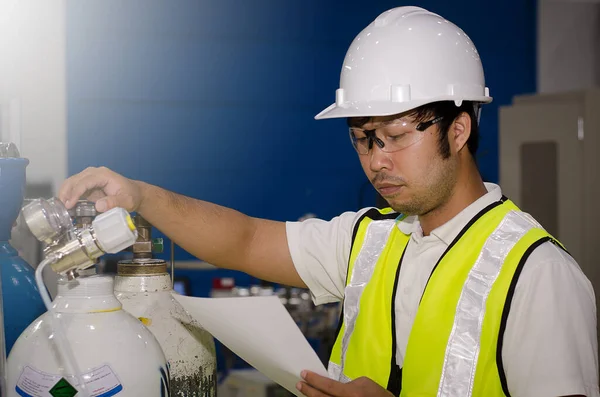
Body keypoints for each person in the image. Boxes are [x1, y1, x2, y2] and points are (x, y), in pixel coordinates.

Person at [58, 6, 598, 397]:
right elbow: (244, 240)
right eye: (362, 138)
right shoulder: (371, 238)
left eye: (394, 135)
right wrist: (141, 195)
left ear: (458, 130)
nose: (376, 160)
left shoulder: (537, 274)